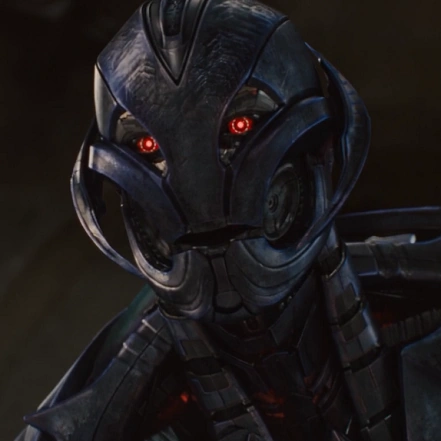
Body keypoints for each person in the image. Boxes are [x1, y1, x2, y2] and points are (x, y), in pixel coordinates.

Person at [15, 0, 441, 440]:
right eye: (148, 147)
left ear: (320, 148)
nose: (203, 194)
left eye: (239, 126)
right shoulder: (115, 412)